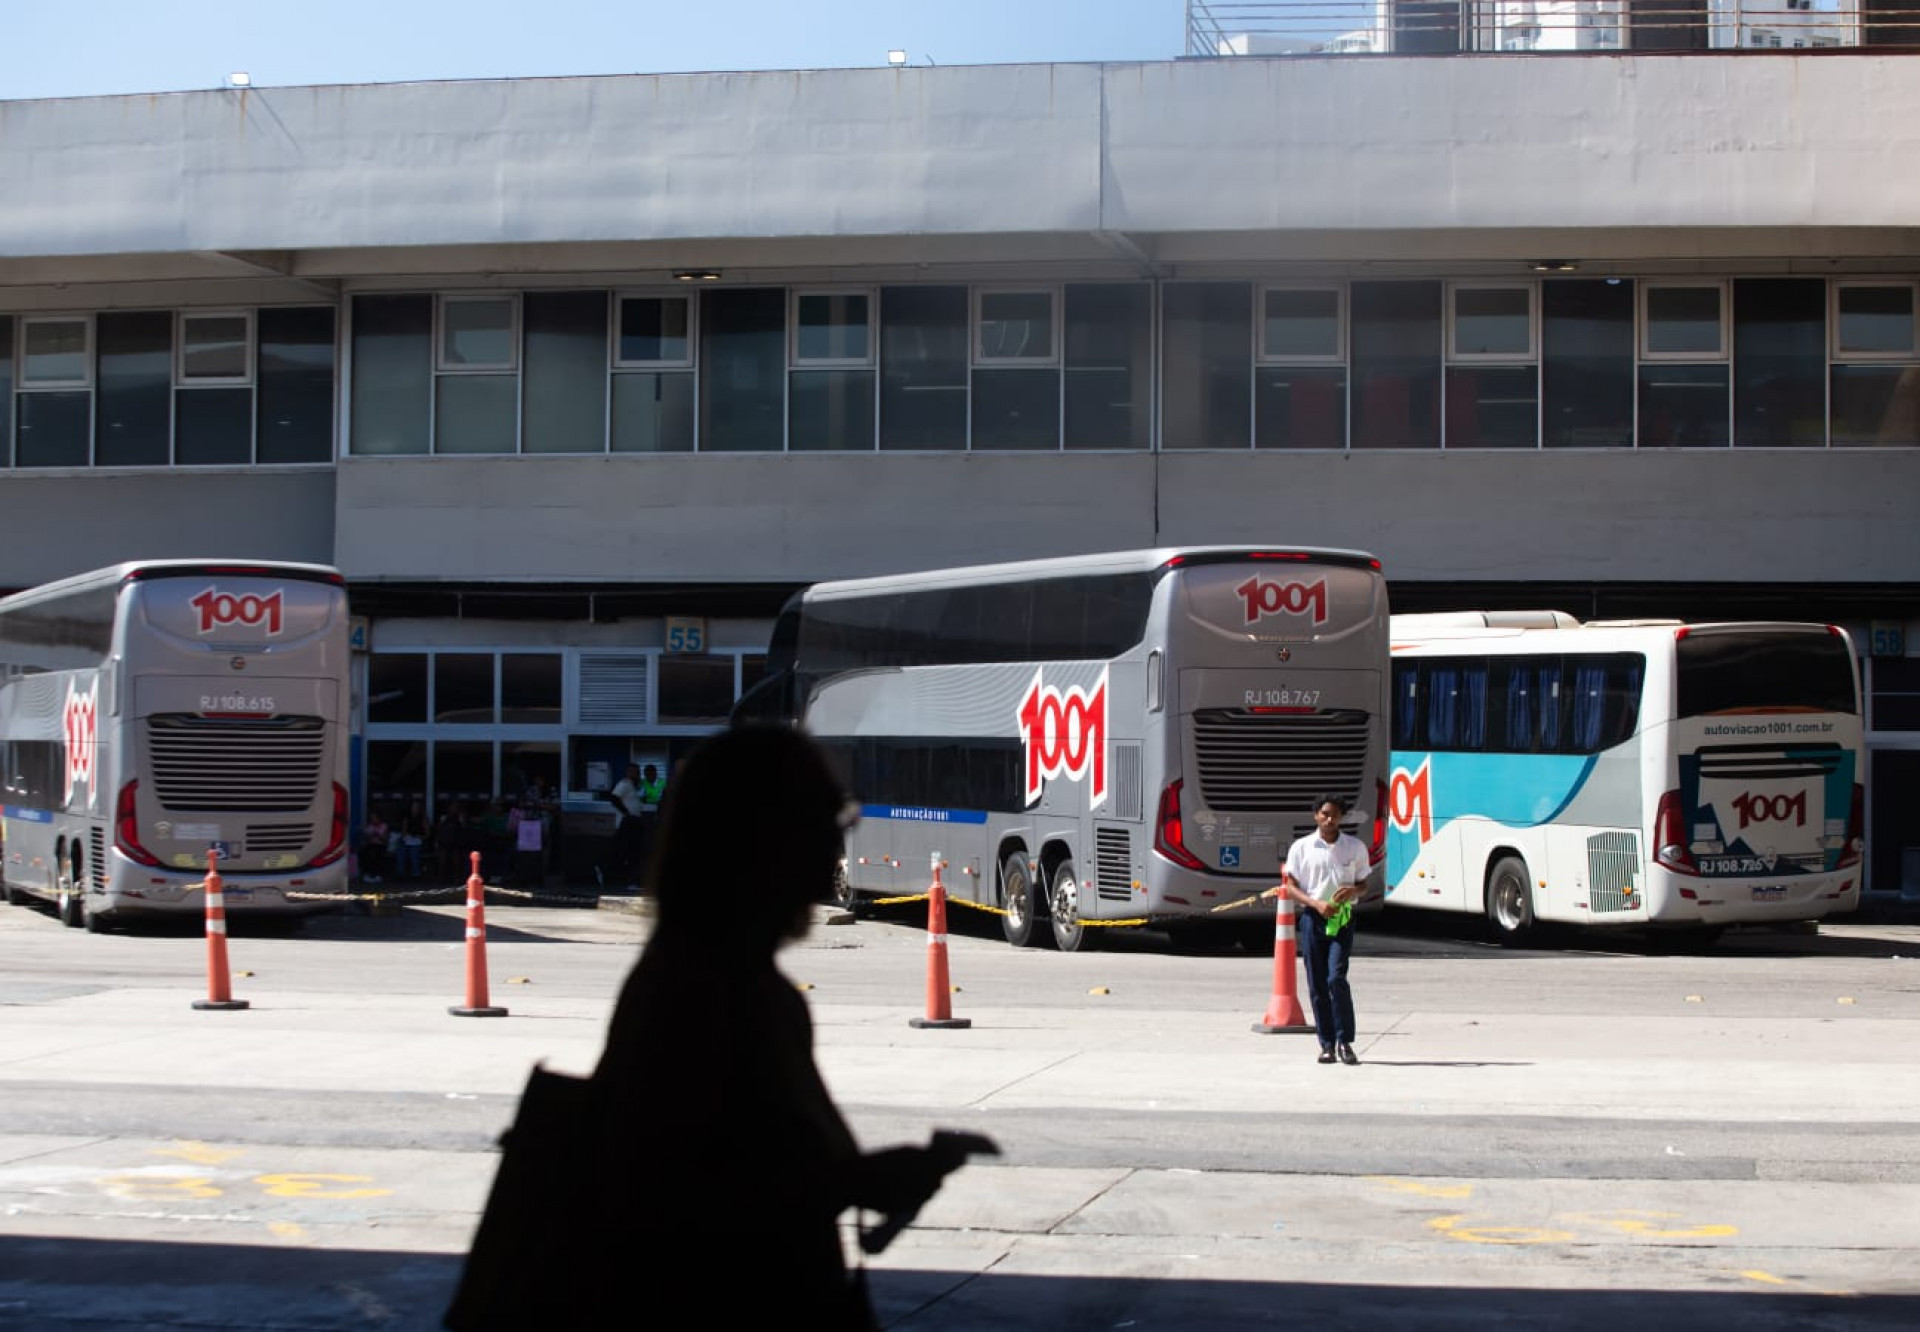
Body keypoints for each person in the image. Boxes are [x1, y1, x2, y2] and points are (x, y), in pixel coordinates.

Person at [586, 725, 994, 1324]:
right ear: (762, 840)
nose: (835, 843)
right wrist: (873, 1179)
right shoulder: (718, 992)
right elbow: (710, 1193)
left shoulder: (707, 975)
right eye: (824, 820)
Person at [1264, 793, 1372, 1066]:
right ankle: (1327, 1045)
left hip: (1342, 918)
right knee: (1317, 983)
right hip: (1314, 917)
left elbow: (1364, 883)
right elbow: (1290, 885)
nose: (1329, 818)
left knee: (1336, 977)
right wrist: (1315, 903)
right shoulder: (1302, 848)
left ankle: (1345, 1041)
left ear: (1341, 817)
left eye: (1334, 814)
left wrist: (1354, 890)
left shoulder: (1354, 847)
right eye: (1324, 813)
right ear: (1316, 816)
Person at [606, 762, 647, 892]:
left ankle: (631, 880)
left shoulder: (636, 786)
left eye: (637, 772)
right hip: (628, 821)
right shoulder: (624, 784)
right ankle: (629, 881)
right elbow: (614, 798)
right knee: (629, 852)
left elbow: (640, 800)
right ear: (628, 772)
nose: (635, 774)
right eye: (633, 772)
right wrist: (626, 813)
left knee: (632, 852)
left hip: (635, 820)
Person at [357, 807, 391, 885]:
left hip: (380, 845)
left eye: (374, 818)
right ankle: (367, 874)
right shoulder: (370, 826)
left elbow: (385, 839)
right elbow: (366, 837)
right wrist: (367, 835)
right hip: (370, 845)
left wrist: (377, 835)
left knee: (374, 854)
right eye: (372, 818)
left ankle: (376, 874)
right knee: (363, 852)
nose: (373, 820)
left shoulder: (384, 826)